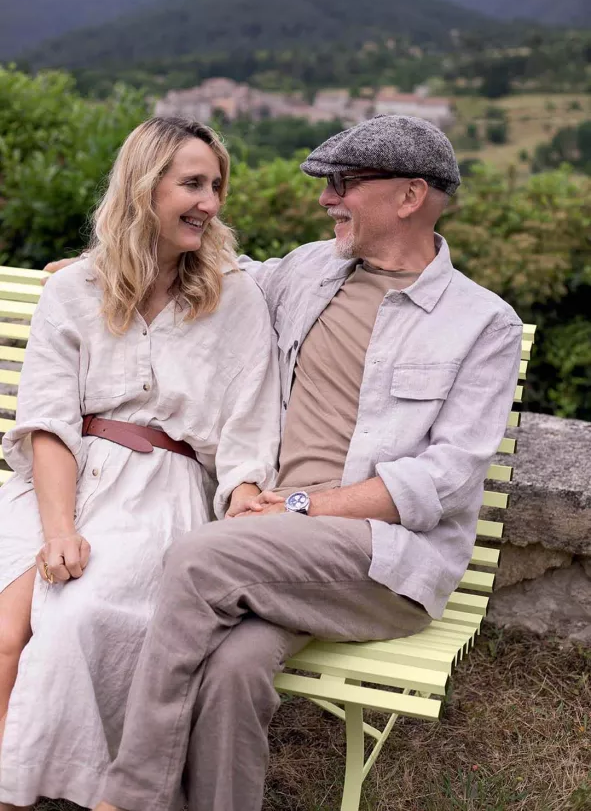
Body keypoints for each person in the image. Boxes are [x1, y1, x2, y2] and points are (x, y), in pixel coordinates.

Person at [53, 114, 522, 811]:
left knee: (198, 557)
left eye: (345, 183)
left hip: (382, 560)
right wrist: (95, 271)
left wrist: (305, 506)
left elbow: (446, 478)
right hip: (277, 545)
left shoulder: (482, 323)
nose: (327, 198)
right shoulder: (308, 271)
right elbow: (218, 273)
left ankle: (130, 793)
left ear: (409, 196)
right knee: (234, 668)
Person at [0, 117, 281, 810]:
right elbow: (49, 422)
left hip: (161, 490)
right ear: (144, 186)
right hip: (60, 480)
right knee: (5, 627)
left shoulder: (234, 296)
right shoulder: (75, 289)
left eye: (216, 186)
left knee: (73, 617)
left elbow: (247, 432)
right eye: (193, 184)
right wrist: (59, 530)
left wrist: (243, 498)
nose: (210, 202)